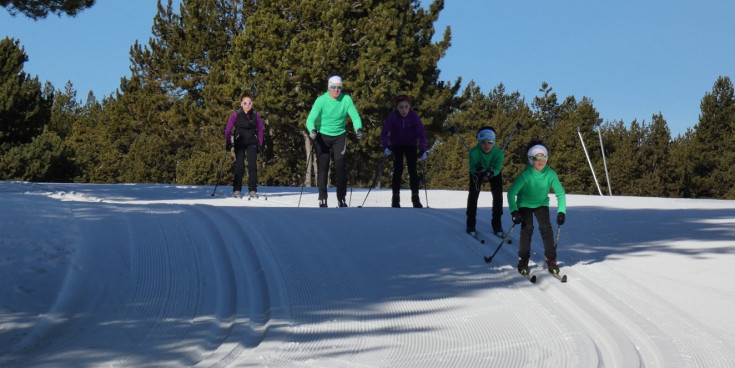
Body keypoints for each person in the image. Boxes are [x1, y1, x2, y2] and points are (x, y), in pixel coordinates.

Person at [507, 141, 566, 275]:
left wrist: (561, 211)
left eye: (543, 157)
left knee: (546, 228)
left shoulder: (551, 174)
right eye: (536, 158)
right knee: (527, 228)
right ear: (530, 159)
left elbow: (560, 194)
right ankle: (523, 260)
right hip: (524, 204)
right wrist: (514, 211)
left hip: (541, 204)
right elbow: (511, 193)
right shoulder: (525, 175)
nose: (540, 161)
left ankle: (551, 259)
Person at [305, 75, 364, 207]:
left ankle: (341, 198)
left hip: (339, 136)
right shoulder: (321, 100)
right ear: (328, 87)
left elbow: (355, 117)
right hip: (323, 136)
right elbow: (310, 119)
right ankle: (322, 197)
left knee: (340, 167)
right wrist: (312, 130)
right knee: (323, 167)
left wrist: (358, 129)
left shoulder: (346, 99)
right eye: (333, 87)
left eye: (339, 87)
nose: (336, 90)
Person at [380, 95, 427, 208]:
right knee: (398, 170)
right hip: (397, 145)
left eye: (406, 107)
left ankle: (415, 198)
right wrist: (386, 146)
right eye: (401, 107)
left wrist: (423, 149)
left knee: (413, 171)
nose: (404, 110)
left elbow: (422, 133)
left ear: (410, 107)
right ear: (397, 108)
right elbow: (384, 133)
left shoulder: (414, 116)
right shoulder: (393, 117)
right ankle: (395, 199)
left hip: (411, 144)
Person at [466, 127, 505, 235]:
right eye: (483, 142)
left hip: (493, 171)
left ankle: (497, 224)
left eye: (490, 142)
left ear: (494, 142)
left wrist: (491, 173)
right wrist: (478, 171)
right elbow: (472, 169)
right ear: (479, 142)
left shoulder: (499, 154)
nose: (486, 145)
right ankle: (470, 223)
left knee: (498, 195)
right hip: (478, 171)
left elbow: (497, 169)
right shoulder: (474, 153)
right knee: (473, 194)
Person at [225, 93, 264, 198]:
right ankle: (237, 189)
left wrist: (260, 143)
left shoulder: (256, 114)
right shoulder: (236, 114)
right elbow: (228, 129)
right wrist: (228, 142)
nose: (247, 105)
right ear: (241, 104)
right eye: (245, 103)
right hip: (240, 141)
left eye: (249, 103)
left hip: (252, 141)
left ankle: (252, 189)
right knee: (239, 165)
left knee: (252, 165)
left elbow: (260, 129)